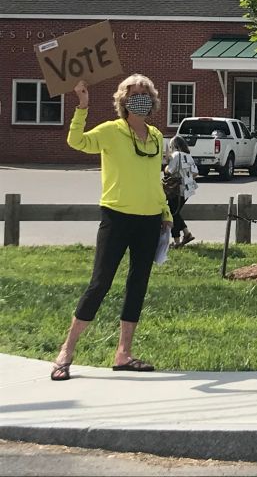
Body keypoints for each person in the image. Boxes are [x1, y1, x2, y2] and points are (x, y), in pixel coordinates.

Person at [51, 75, 172, 381]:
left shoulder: (157, 136)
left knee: (137, 284)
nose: (140, 98)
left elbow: (154, 180)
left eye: (145, 93)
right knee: (100, 283)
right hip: (116, 218)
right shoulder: (110, 131)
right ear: (123, 101)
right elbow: (76, 141)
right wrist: (83, 105)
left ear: (154, 100)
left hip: (149, 220)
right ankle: (66, 351)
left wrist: (166, 212)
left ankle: (124, 353)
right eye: (134, 94)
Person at [165, 135, 199, 248]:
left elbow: (169, 171)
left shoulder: (175, 155)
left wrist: (167, 162)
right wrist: (186, 178)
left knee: (172, 213)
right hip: (188, 190)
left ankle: (177, 241)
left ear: (174, 146)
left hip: (176, 189)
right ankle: (186, 233)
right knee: (176, 212)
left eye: (171, 146)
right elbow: (195, 173)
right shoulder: (188, 156)